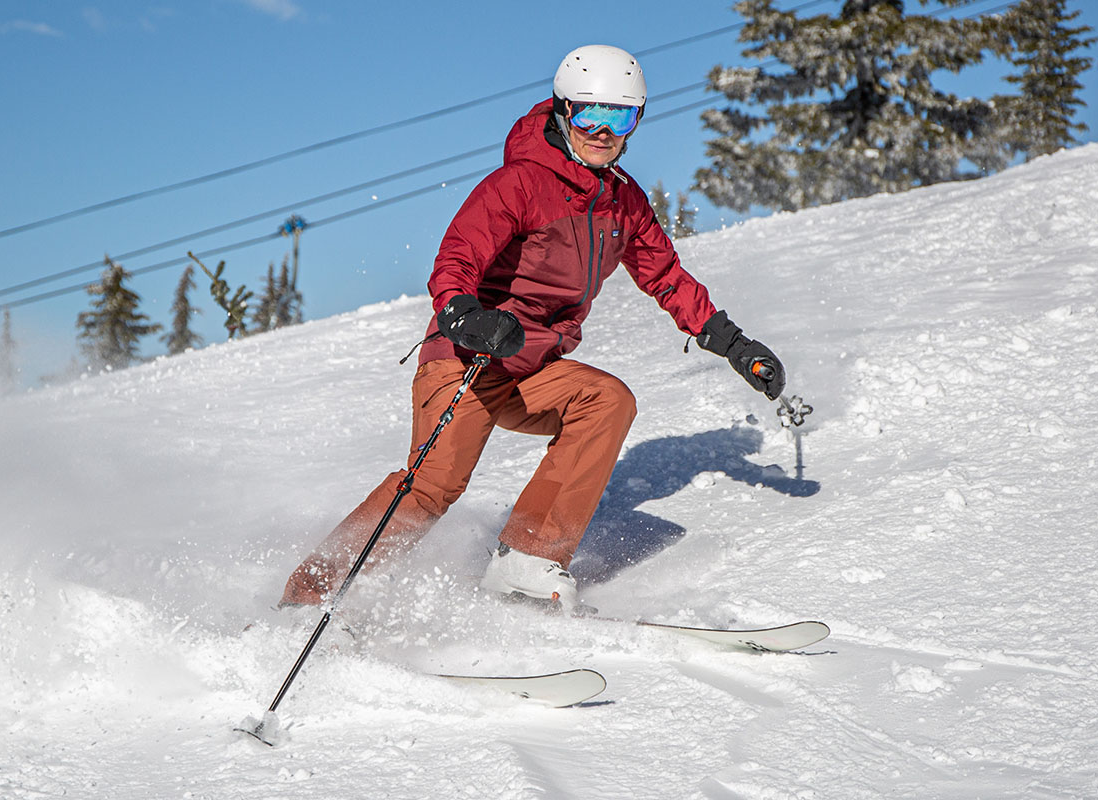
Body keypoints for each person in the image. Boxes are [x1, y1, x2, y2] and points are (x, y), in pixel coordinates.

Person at [280, 44, 785, 612]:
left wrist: (733, 344)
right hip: (467, 357)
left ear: (636, 121)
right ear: (564, 111)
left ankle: (526, 560)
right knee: (433, 484)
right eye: (589, 114)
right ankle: (310, 597)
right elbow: (457, 257)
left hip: (533, 367)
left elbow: (664, 275)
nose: (602, 130)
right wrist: (464, 314)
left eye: (618, 116)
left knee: (606, 400)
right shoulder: (518, 183)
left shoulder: (624, 203)